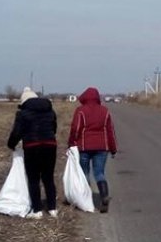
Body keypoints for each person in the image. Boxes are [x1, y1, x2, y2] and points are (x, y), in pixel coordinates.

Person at [7, 87, 58, 219]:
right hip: (50, 145)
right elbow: (54, 128)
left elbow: (17, 132)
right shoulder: (50, 111)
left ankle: (37, 210)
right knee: (48, 177)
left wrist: (11, 144)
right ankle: (52, 208)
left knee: (33, 179)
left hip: (32, 147)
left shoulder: (22, 113)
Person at [67, 87, 118, 213]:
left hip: (84, 147)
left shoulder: (81, 111)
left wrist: (71, 144)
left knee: (84, 173)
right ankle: (104, 196)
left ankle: (87, 200)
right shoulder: (105, 111)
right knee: (99, 173)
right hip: (102, 147)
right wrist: (113, 148)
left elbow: (75, 129)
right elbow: (110, 131)